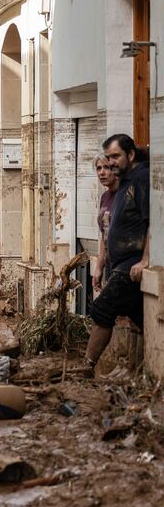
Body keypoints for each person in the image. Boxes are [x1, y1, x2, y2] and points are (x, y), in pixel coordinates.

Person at [85, 134, 149, 371]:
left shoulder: (139, 178)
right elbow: (106, 235)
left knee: (102, 309)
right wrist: (100, 266)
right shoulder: (120, 187)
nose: (108, 166)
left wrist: (146, 260)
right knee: (141, 318)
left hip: (131, 265)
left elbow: (152, 221)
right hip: (118, 265)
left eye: (114, 158)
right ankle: (139, 370)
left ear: (130, 155)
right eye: (103, 163)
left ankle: (87, 365)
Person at [93, 155, 120, 293]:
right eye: (98, 168)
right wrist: (98, 267)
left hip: (124, 265)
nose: (101, 172)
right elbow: (105, 235)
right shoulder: (104, 197)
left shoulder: (126, 194)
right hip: (109, 264)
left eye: (106, 167)